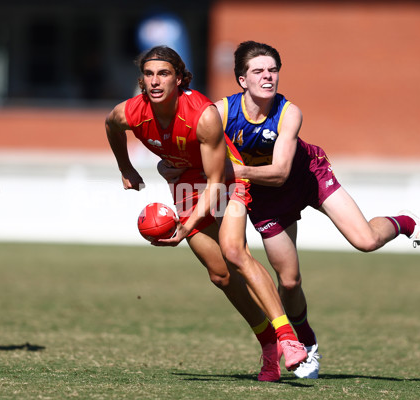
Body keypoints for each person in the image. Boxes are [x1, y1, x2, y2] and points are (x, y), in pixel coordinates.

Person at [163, 40, 420, 379]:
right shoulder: (221, 113)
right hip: (267, 199)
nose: (267, 77)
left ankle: (407, 222)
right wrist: (172, 166)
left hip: (309, 177)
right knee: (288, 281)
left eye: (273, 70)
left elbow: (282, 171)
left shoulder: (289, 112)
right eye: (258, 71)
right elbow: (190, 148)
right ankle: (308, 341)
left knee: (366, 240)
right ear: (242, 79)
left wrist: (234, 172)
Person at [105, 45, 308, 380]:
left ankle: (288, 336)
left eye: (164, 74)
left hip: (224, 178)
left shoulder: (203, 116)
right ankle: (268, 343)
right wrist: (125, 167)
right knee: (220, 275)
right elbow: (111, 126)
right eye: (149, 74)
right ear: (142, 80)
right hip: (185, 182)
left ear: (181, 79)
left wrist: (186, 228)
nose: (155, 82)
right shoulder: (128, 112)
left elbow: (215, 182)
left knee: (234, 251)